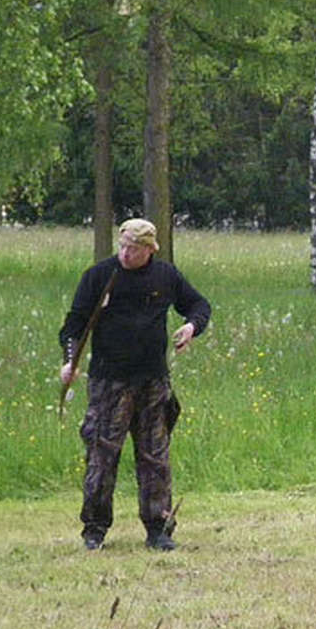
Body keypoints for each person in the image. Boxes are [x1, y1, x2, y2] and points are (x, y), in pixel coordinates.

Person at [59, 219, 211, 552]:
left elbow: (200, 306)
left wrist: (191, 328)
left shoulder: (166, 276)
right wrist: (70, 361)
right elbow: (73, 326)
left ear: (150, 250)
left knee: (155, 457)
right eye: (123, 246)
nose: (126, 254)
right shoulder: (99, 276)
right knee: (101, 455)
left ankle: (158, 528)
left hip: (153, 382)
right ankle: (94, 530)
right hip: (108, 382)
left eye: (135, 249)